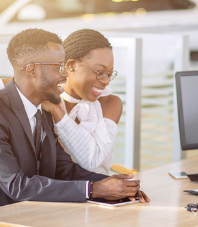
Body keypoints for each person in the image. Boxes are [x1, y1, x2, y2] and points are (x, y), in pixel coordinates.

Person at [0, 28, 149, 206]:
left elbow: (63, 168)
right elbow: (17, 186)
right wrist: (94, 189)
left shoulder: (44, 108)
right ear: (32, 70)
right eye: (58, 67)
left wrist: (117, 186)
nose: (65, 73)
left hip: (40, 214)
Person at [41, 29, 122, 175]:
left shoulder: (110, 103)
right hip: (59, 193)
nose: (106, 81)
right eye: (100, 72)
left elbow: (92, 159)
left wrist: (58, 113)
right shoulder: (45, 102)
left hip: (103, 191)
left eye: (109, 74)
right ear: (71, 65)